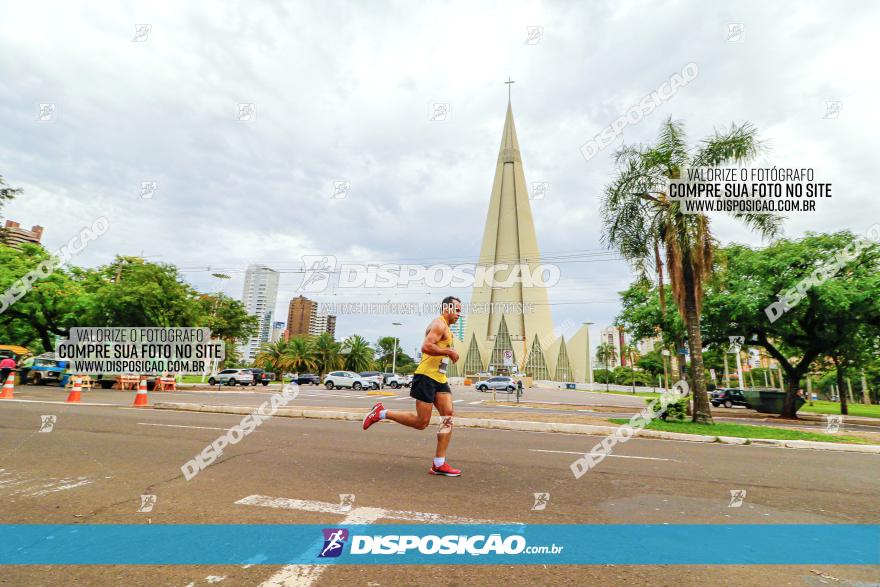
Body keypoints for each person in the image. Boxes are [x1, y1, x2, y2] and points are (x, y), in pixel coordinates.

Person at [363, 296, 462, 476]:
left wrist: (447, 354)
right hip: (425, 377)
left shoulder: (448, 329)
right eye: (457, 310)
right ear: (447, 308)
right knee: (421, 422)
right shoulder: (439, 324)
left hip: (439, 378)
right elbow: (426, 346)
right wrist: (448, 351)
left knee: (448, 416)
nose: (459, 314)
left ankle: (439, 463)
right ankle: (381, 413)